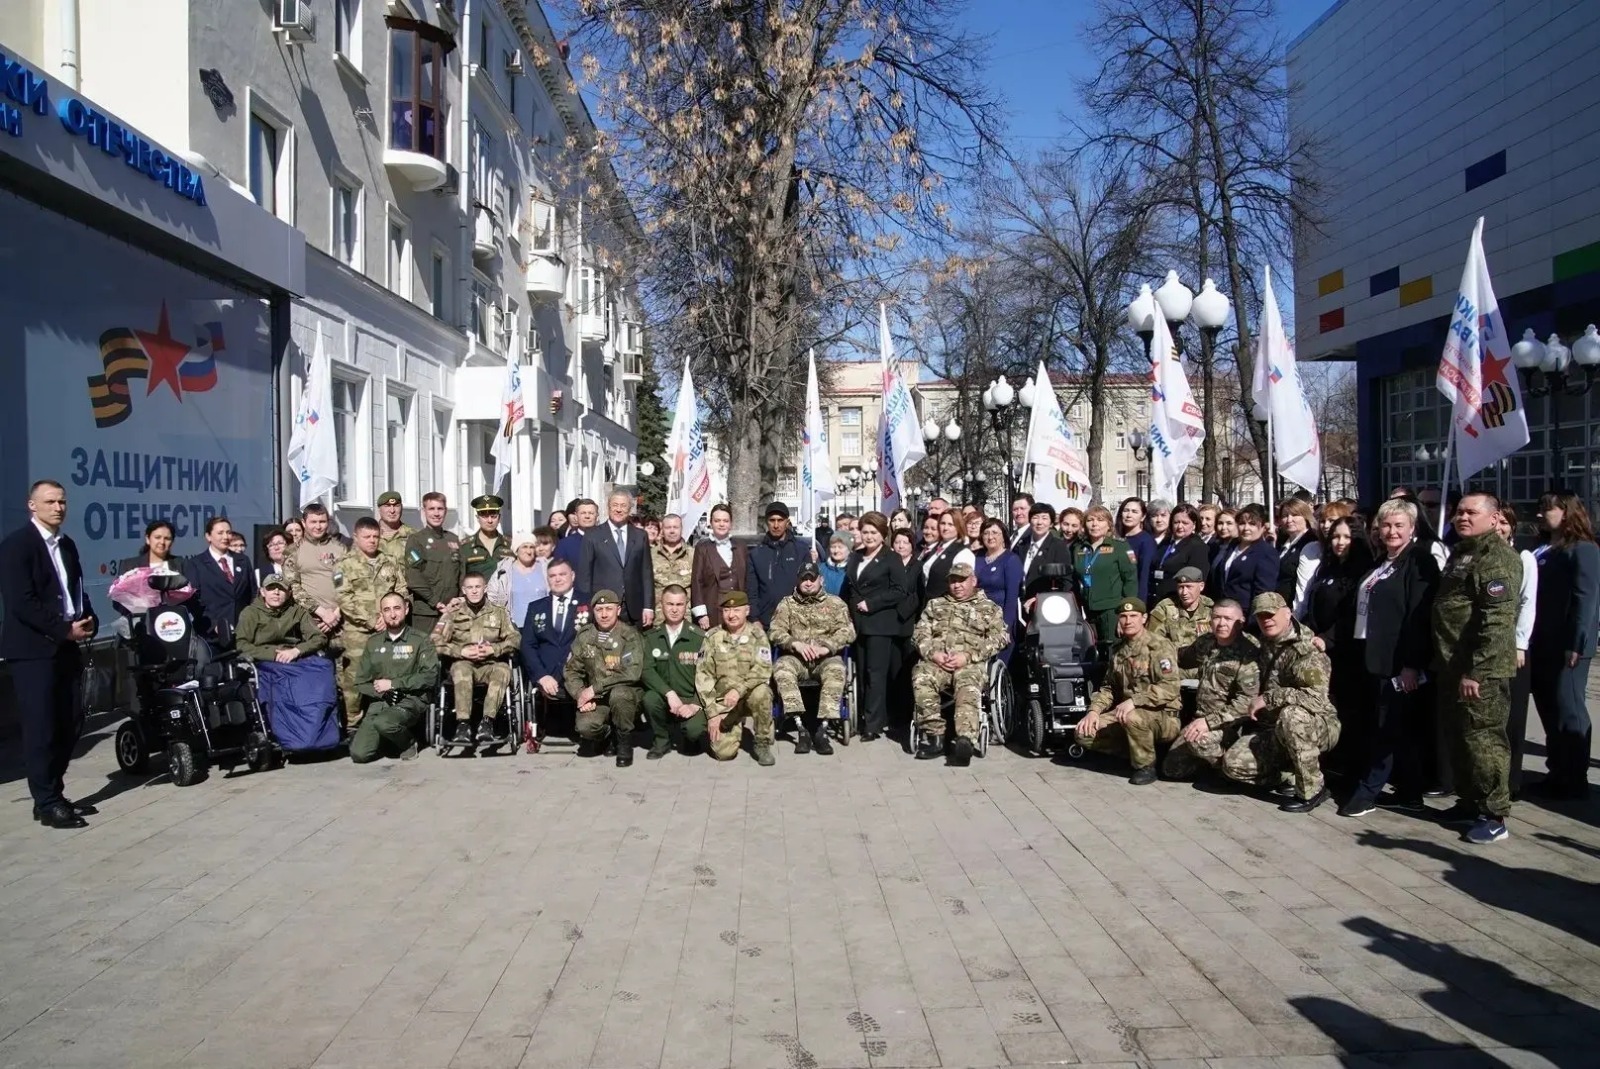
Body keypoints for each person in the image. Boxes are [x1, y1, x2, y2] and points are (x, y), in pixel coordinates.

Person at [0, 480, 97, 829]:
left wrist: (88, 617)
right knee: (41, 726)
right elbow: (21, 602)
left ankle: (52, 792)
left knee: (69, 721)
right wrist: (62, 629)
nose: (58, 507)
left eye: (62, 501)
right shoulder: (17, 546)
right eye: (50, 501)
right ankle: (46, 801)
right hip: (33, 650)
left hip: (66, 645)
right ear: (32, 505)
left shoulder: (67, 545)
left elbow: (75, 590)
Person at [1335, 499, 1439, 818]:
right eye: (1386, 525)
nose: (1391, 531)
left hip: (1398, 662)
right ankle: (1410, 792)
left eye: (1399, 526)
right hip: (1370, 658)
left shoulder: (1419, 561)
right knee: (1395, 728)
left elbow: (1419, 617)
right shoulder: (1383, 561)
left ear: (1412, 528)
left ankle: (1369, 791)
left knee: (1388, 728)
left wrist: (1411, 664)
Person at [1431, 492, 1521, 842]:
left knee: (1484, 741)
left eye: (1471, 512)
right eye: (1459, 512)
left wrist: (1477, 672)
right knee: (1460, 738)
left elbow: (1497, 621)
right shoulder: (1461, 552)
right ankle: (1469, 801)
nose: (1462, 517)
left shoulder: (1496, 557)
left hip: (1479, 669)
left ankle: (1494, 813)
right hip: (1453, 664)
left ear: (1494, 517)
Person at [1217, 593, 1340, 812]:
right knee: (1232, 764)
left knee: (1292, 716)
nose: (1266, 620)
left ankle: (1313, 789)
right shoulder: (1264, 643)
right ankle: (1287, 775)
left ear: (1287, 613)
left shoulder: (1306, 651)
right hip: (1274, 729)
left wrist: (1269, 698)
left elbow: (1315, 699)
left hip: (1316, 724)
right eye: (1261, 616)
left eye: (1271, 614)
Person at [1526, 490, 1600, 801]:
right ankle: (1557, 769)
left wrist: (1577, 643)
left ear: (1567, 512)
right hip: (1541, 642)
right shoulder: (1545, 549)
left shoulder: (1583, 549)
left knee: (1569, 709)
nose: (1541, 515)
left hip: (1567, 645)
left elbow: (1586, 598)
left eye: (1548, 509)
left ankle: (1574, 776)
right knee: (1548, 708)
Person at [911, 561, 1010, 765]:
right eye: (953, 581)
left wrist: (968, 656)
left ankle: (965, 739)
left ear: (973, 581)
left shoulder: (989, 609)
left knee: (967, 686)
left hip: (969, 663)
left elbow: (1000, 638)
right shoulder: (935, 605)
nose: (957, 585)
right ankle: (935, 736)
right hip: (938, 661)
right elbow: (919, 634)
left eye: (962, 580)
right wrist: (934, 654)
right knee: (921, 675)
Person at [1076, 598, 1183, 784]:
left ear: (1144, 618)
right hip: (1128, 715)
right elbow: (1108, 688)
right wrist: (1093, 711)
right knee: (1084, 732)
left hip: (1163, 716)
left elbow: (1170, 686)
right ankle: (1140, 753)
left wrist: (1134, 701)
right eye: (1123, 616)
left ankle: (1146, 767)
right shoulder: (1119, 651)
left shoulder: (1159, 646)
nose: (1128, 621)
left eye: (1133, 616)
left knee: (1133, 717)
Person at [1302, 513, 1373, 778]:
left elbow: (1352, 614)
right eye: (1335, 537)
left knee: (1349, 710)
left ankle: (1349, 766)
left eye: (1346, 537)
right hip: (1320, 648)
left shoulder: (1362, 571)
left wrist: (1328, 638)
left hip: (1346, 651)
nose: (1340, 542)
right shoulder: (1328, 567)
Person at [1161, 600, 1260, 780]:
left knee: (1199, 741)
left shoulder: (1249, 651)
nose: (1221, 623)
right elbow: (1181, 657)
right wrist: (1154, 651)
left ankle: (1229, 769)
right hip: (1201, 719)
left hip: (1232, 725)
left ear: (1241, 621)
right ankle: (1209, 762)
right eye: (1216, 617)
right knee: (1171, 769)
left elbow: (1246, 702)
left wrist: (1209, 722)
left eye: (1228, 619)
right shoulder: (1207, 642)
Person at [770, 562, 856, 755]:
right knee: (781, 668)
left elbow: (847, 631)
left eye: (812, 578)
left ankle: (822, 730)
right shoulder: (787, 604)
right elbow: (775, 631)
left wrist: (827, 647)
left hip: (825, 658)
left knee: (837, 670)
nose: (808, 583)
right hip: (796, 658)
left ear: (821, 580)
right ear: (798, 581)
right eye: (804, 579)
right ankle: (801, 729)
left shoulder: (835, 604)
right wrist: (794, 643)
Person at [334, 518, 409, 731]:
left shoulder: (389, 561)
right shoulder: (343, 565)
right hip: (358, 634)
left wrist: (392, 616)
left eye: (376, 537)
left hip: (390, 630)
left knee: (391, 677)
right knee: (355, 681)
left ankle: (390, 723)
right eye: (367, 537)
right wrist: (371, 619)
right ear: (356, 537)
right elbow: (344, 598)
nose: (372, 541)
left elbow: (402, 590)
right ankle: (353, 725)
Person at [433, 572, 522, 746]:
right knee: (461, 669)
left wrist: (493, 649)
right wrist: (461, 651)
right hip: (463, 664)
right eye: (470, 588)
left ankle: (487, 722)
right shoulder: (453, 614)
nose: (474, 591)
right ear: (463, 590)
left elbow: (515, 639)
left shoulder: (499, 613)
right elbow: (435, 641)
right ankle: (463, 725)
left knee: (504, 670)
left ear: (485, 588)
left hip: (491, 663)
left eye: (478, 587)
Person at [841, 512, 908, 741]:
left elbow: (900, 590)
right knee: (860, 672)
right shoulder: (856, 557)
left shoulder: (892, 559)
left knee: (875, 674)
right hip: (857, 624)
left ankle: (874, 724)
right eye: (865, 532)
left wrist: (872, 603)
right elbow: (848, 587)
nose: (869, 537)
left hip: (880, 623)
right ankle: (861, 718)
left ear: (883, 534)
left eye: (873, 532)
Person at [350, 592, 438, 763]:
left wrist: (394, 684)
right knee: (359, 754)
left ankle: (408, 743)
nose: (392, 614)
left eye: (397, 608)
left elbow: (430, 677)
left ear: (406, 609)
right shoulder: (373, 643)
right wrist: (382, 693)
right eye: (387, 610)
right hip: (381, 701)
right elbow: (361, 682)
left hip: (411, 699)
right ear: (381, 614)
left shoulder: (421, 640)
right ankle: (387, 738)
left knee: (385, 723)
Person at [564, 589, 645, 766]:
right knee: (586, 727)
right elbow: (571, 671)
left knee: (620, 695)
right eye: (599, 609)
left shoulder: (629, 635)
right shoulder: (585, 636)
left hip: (626, 695)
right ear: (593, 611)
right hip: (597, 699)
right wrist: (580, 695)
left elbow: (632, 673)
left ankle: (623, 743)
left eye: (609, 609)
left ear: (618, 610)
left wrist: (593, 688)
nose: (604, 614)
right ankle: (607, 736)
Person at [696, 590, 777, 765]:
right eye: (726, 611)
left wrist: (738, 689)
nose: (731, 615)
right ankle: (734, 724)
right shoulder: (712, 637)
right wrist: (711, 714)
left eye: (736, 610)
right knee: (723, 753)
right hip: (723, 701)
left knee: (762, 693)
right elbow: (703, 676)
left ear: (747, 611)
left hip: (749, 697)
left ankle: (762, 742)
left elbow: (763, 670)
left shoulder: (758, 635)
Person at [1499, 504, 1539, 799]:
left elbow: (1527, 603)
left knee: (1513, 717)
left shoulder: (1523, 557)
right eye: (1495, 521)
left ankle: (1512, 781)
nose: (1499, 527)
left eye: (1504, 522)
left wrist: (1520, 643)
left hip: (1513, 648)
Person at [642, 585, 707, 758]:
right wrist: (669, 694)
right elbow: (647, 670)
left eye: (679, 604)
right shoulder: (651, 637)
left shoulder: (699, 637)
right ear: (661, 605)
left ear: (686, 606)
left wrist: (694, 704)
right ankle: (661, 741)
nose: (674, 609)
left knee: (694, 731)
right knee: (649, 699)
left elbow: (709, 675)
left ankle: (690, 738)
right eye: (670, 604)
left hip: (691, 697)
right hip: (664, 697)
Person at [578, 489, 656, 627]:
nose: (618, 509)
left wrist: (648, 607)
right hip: (603, 607)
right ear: (608, 507)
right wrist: (586, 608)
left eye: (623, 506)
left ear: (630, 509)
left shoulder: (640, 536)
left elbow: (646, 574)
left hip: (633, 609)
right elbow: (585, 576)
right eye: (615, 505)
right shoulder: (593, 536)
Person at [519, 557, 589, 705]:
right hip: (548, 681)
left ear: (573, 575)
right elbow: (527, 645)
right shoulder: (536, 608)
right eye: (552, 576)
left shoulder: (588, 603)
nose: (557, 579)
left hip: (581, 678)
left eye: (562, 574)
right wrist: (541, 675)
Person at [1070, 504, 1137, 649]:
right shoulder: (1079, 548)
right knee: (1091, 650)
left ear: (1109, 525)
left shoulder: (1119, 547)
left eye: (1100, 520)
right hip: (1088, 609)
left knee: (1112, 650)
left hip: (1111, 610)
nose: (1094, 524)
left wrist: (1125, 613)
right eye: (1090, 520)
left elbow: (1130, 581)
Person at [283, 502, 346, 652]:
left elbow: (344, 583)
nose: (318, 526)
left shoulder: (339, 549)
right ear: (304, 523)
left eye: (322, 522)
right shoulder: (293, 551)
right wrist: (322, 612)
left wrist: (336, 613)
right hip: (309, 623)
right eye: (313, 522)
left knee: (342, 672)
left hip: (339, 622)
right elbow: (294, 588)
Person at [187, 515, 256, 646]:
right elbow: (194, 601)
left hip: (243, 633)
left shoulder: (243, 561)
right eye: (220, 533)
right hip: (211, 635)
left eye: (228, 532)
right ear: (208, 536)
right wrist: (214, 625)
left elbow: (252, 593)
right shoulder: (196, 564)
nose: (225, 537)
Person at [747, 501, 812, 628]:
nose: (776, 525)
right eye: (772, 520)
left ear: (787, 522)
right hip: (765, 622)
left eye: (780, 520)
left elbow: (809, 586)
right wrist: (754, 618)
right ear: (767, 522)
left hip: (795, 621)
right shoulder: (756, 553)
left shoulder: (801, 550)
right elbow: (751, 590)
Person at [235, 574, 328, 663]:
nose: (276, 592)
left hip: (294, 656)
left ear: (289, 594)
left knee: (325, 666)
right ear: (262, 592)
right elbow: (241, 644)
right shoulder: (250, 612)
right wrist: (272, 654)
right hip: (263, 660)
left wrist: (297, 650)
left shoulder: (297, 611)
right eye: (271, 588)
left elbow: (319, 638)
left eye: (281, 589)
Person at [113, 520, 195, 618]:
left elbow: (193, 598)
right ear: (148, 539)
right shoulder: (130, 565)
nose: (162, 542)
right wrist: (138, 612)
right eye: (157, 537)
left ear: (172, 541)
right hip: (140, 623)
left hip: (174, 622)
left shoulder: (182, 564)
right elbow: (118, 600)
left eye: (167, 538)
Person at [404, 492, 462, 632]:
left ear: (445, 511)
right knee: (426, 652)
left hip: (452, 610)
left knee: (451, 652)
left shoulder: (453, 539)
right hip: (426, 613)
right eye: (431, 509)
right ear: (424, 511)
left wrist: (459, 600)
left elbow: (461, 574)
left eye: (440, 509)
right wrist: (435, 602)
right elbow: (414, 577)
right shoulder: (416, 540)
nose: (436, 513)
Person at [691, 503, 748, 629]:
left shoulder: (741, 547)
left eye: (725, 521)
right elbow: (697, 581)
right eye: (717, 521)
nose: (721, 524)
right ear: (711, 522)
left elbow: (747, 579)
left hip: (737, 609)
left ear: (731, 523)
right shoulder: (702, 547)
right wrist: (701, 614)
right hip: (713, 610)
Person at [1216, 504, 1279, 615]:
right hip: (1225, 611)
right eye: (1242, 523)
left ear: (1263, 527)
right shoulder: (1232, 545)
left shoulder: (1266, 552)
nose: (1246, 528)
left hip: (1245, 614)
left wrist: (1252, 621)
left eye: (1252, 524)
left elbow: (1263, 593)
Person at [974, 518, 1022, 660]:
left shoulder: (1011, 560)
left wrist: (1005, 628)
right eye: (986, 533)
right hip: (978, 619)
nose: (990, 537)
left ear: (1003, 537)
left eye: (995, 533)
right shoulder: (978, 557)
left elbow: (1012, 597)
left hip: (999, 619)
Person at [488, 530, 550, 629]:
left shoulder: (545, 568)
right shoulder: (504, 571)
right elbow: (492, 596)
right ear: (516, 550)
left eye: (531, 547)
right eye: (524, 547)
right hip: (514, 628)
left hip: (542, 626)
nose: (529, 551)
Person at [1151, 504, 1211, 605]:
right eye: (1176, 522)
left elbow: (1196, 580)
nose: (1180, 526)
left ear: (1194, 524)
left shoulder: (1197, 547)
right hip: (1157, 600)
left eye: (1185, 523)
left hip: (1176, 603)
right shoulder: (1165, 543)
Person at [1147, 566, 1212, 653]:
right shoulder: (1165, 608)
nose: (1184, 592)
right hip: (1173, 660)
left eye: (1189, 587)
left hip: (1202, 661)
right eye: (1181, 587)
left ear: (1201, 586)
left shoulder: (1211, 609)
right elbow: (1153, 639)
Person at [1275, 499, 1322, 617]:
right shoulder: (1283, 544)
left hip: (1293, 613)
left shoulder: (1310, 544)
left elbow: (1304, 586)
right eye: (1285, 516)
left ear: (1305, 516)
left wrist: (1296, 616)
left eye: (1295, 515)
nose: (1289, 520)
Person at [922, 510, 976, 604]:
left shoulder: (963, 553)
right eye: (943, 523)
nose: (945, 528)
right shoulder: (937, 547)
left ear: (958, 526)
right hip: (929, 605)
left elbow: (963, 589)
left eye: (950, 524)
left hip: (946, 608)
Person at [459, 494, 512, 582]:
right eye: (484, 516)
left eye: (493, 516)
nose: (490, 520)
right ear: (477, 518)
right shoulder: (465, 546)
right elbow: (460, 579)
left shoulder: (510, 545)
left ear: (499, 518)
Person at [650, 513, 694, 609]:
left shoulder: (693, 555)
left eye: (676, 527)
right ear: (662, 530)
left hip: (686, 615)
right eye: (668, 527)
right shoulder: (651, 554)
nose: (672, 531)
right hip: (658, 615)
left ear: (681, 529)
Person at [1117, 497, 1157, 602]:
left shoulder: (1146, 541)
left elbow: (1144, 575)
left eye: (1134, 512)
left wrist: (1139, 604)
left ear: (1143, 517)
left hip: (1134, 599)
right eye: (1126, 511)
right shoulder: (1117, 539)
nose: (1129, 515)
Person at [375, 491, 415, 562]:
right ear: (379, 509)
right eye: (387, 506)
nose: (392, 510)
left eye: (396, 506)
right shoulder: (369, 536)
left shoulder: (414, 537)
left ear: (402, 508)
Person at [554, 498, 597, 564]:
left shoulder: (606, 541)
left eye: (591, 513)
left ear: (597, 515)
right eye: (583, 513)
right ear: (576, 516)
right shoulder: (564, 544)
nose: (587, 516)